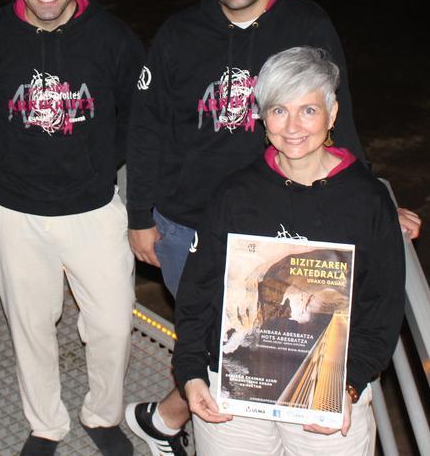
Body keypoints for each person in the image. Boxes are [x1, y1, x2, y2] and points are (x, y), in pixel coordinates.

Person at [123, 0, 420, 454]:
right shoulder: (179, 34)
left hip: (283, 220)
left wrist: (368, 195)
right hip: (188, 223)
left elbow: (336, 111)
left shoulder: (305, 23)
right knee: (220, 343)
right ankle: (182, 418)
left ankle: (167, 420)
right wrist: (140, 217)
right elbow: (146, 128)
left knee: (269, 342)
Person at [0, 0, 144, 455]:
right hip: (17, 212)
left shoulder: (113, 38)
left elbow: (136, 114)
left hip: (94, 208)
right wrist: (22, 160)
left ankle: (104, 414)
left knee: (112, 325)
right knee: (31, 328)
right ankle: (46, 424)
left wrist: (94, 165)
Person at [173, 45, 405, 454]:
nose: (293, 126)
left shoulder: (367, 201)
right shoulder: (236, 194)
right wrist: (191, 372)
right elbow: (199, 289)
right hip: (236, 391)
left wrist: (348, 387)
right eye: (279, 110)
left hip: (327, 389)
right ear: (262, 117)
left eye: (308, 110)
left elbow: (382, 306)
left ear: (332, 114)